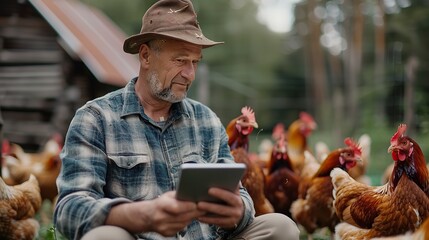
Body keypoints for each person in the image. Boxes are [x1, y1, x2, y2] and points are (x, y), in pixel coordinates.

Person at [53, 0, 300, 239]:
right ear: (146, 56)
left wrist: (238, 210)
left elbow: (241, 195)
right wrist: (141, 215)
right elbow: (69, 210)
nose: (189, 74)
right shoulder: (96, 119)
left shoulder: (206, 120)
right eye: (180, 60)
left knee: (281, 227)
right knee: (105, 236)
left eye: (195, 62)